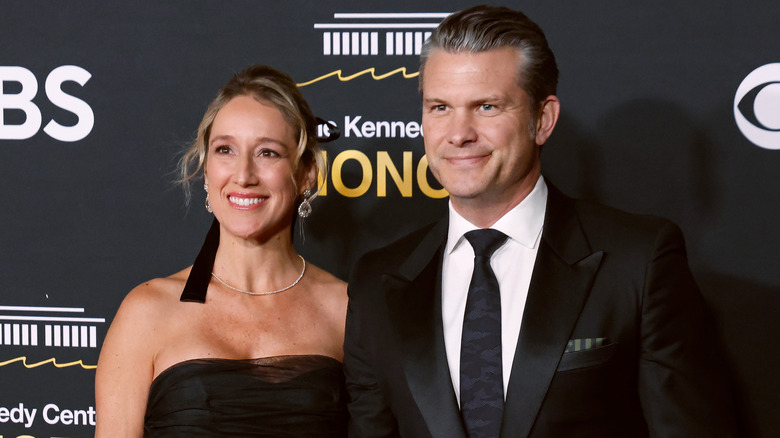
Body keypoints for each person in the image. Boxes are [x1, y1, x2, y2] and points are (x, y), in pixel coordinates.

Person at [343, 5, 738, 438]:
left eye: (487, 106)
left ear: (542, 120)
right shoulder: (376, 280)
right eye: (439, 107)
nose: (458, 133)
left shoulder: (639, 261)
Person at [95, 65, 348, 437]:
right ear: (206, 170)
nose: (243, 174)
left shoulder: (346, 310)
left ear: (306, 172)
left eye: (267, 153)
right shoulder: (146, 313)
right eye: (225, 150)